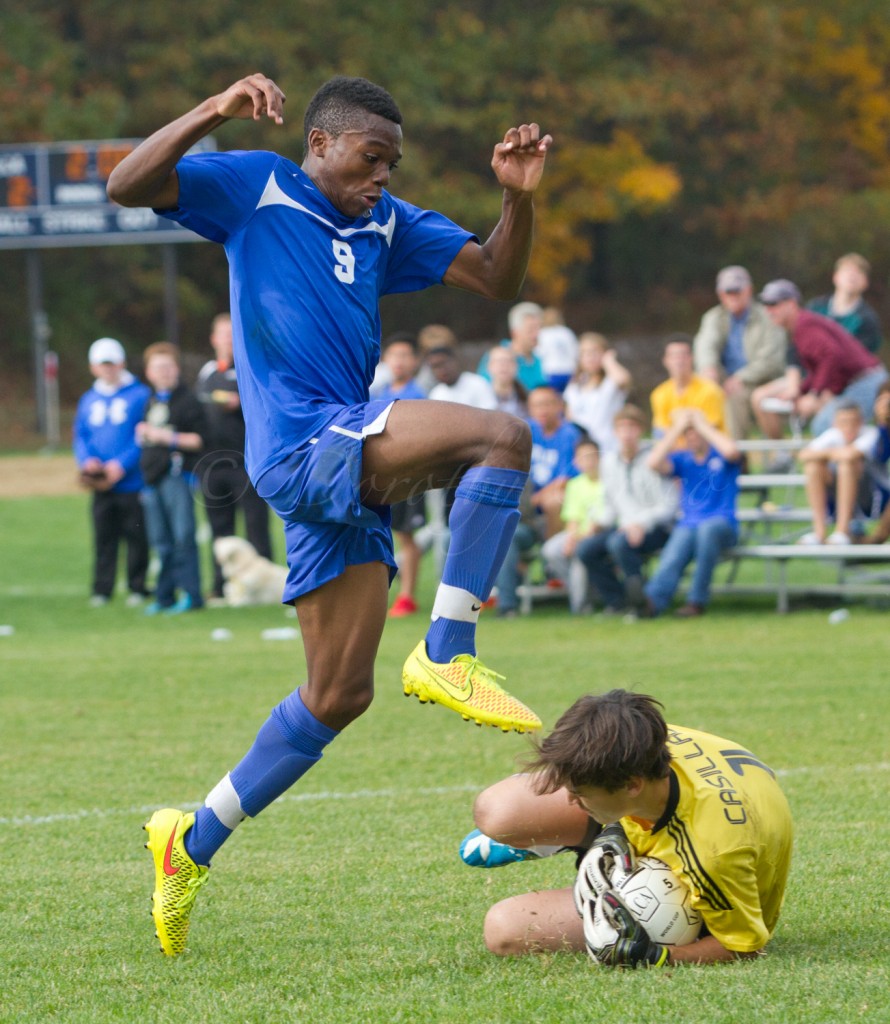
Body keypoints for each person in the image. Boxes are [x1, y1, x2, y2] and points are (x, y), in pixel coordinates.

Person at [108, 72, 549, 955]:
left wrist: (514, 198)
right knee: (502, 434)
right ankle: (450, 650)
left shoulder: (386, 221)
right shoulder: (253, 184)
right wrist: (209, 112)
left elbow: (497, 276)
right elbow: (124, 185)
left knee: (338, 694)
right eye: (369, 158)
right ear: (319, 144)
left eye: (392, 162)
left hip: (341, 467)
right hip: (307, 446)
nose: (382, 176)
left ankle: (187, 845)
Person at [463, 690, 793, 967]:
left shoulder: (713, 854)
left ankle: (583, 842)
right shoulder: (639, 740)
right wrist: (615, 826)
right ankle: (562, 840)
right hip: (661, 807)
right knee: (497, 811)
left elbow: (742, 945)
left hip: (691, 883)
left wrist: (656, 956)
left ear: (632, 785)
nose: (571, 800)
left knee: (503, 930)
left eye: (579, 795)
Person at [195, 312, 273, 600]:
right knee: (219, 527)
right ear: (214, 339)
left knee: (255, 524)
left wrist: (242, 404)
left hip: (246, 461)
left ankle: (263, 587)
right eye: (222, 334)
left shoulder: (250, 367)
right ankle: (221, 587)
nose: (227, 339)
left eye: (232, 333)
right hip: (213, 464)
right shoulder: (207, 372)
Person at [752, 279, 888, 438]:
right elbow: (820, 366)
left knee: (826, 426)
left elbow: (832, 355)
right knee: (828, 429)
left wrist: (814, 394)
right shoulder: (801, 326)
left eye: (774, 304)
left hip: (866, 383)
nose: (769, 310)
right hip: (862, 382)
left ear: (791, 304)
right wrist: (802, 391)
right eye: (766, 304)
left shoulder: (805, 325)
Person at [575, 404, 677, 614]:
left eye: (632, 427)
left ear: (641, 430)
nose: (627, 433)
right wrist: (600, 523)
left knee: (619, 544)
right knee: (586, 550)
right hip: (624, 527)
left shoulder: (654, 459)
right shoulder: (609, 462)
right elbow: (612, 503)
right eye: (622, 427)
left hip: (657, 527)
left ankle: (641, 602)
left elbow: (669, 506)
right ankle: (618, 601)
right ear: (615, 431)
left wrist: (641, 523)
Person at [72, 337, 151, 607]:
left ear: (121, 363)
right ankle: (102, 589)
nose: (107, 369)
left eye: (111, 363)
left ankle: (137, 586)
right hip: (101, 484)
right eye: (102, 364)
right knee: (104, 537)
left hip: (131, 482)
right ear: (94, 367)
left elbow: (142, 436)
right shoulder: (89, 398)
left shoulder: (139, 395)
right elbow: (80, 435)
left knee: (136, 536)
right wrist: (87, 460)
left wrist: (121, 464)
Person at [642, 408, 741, 618]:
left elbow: (732, 451)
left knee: (706, 531)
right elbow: (652, 463)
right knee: (674, 551)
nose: (692, 437)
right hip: (689, 524)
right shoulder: (682, 460)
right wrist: (677, 428)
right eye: (689, 434)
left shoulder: (721, 456)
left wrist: (702, 425)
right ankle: (652, 602)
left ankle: (696, 601)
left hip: (722, 524)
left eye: (696, 433)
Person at [137, 342, 207, 615]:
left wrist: (165, 436)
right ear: (149, 373)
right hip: (152, 478)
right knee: (161, 541)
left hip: (178, 476)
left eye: (168, 366)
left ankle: (192, 595)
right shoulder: (152, 400)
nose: (164, 372)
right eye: (158, 368)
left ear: (176, 369)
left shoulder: (188, 401)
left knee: (183, 537)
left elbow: (200, 439)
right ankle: (164, 595)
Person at [693, 265, 787, 439]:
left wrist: (741, 377)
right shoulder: (714, 317)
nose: (733, 296)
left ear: (749, 290)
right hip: (725, 380)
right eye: (728, 292)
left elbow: (771, 360)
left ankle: (736, 457)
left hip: (762, 381)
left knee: (734, 396)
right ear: (721, 294)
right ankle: (704, 456)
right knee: (699, 391)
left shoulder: (766, 316)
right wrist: (708, 368)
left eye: (737, 291)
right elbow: (705, 345)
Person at [375, 332, 428, 616]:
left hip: (409, 475)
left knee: (407, 535)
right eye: (394, 355)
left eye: (405, 356)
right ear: (385, 360)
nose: (399, 361)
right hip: (382, 475)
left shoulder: (419, 395)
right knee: (383, 533)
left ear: (414, 361)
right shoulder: (380, 393)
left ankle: (407, 595)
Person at [798, 401, 886, 546]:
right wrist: (833, 455)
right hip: (838, 496)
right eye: (844, 422)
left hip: (873, 498)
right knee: (813, 467)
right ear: (835, 423)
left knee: (847, 466)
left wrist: (825, 455)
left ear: (862, 421)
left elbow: (850, 455)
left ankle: (842, 531)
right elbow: (804, 455)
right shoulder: (833, 435)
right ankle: (819, 533)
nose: (849, 427)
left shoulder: (871, 433)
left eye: (853, 421)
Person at [540, 438, 604, 613]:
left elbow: (604, 520)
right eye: (583, 457)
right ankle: (590, 590)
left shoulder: (608, 483)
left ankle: (581, 607)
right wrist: (571, 537)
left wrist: (577, 539)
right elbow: (572, 518)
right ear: (576, 461)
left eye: (591, 456)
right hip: (578, 532)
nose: (588, 461)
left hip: (599, 533)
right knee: (550, 549)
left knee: (578, 558)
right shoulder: (575, 485)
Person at [526, 385, 580, 539]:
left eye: (547, 404)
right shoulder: (526, 429)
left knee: (554, 501)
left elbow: (564, 479)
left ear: (559, 406)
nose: (542, 410)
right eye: (536, 405)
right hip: (527, 492)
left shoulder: (569, 434)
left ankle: (548, 553)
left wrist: (536, 499)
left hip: (554, 491)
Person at [563, 332, 632, 452]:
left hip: (608, 448)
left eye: (594, 352)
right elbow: (569, 418)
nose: (589, 357)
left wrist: (609, 361)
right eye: (584, 353)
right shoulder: (574, 386)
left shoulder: (610, 382)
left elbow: (623, 379)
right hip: (583, 451)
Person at [650, 334, 727, 441]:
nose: (679, 361)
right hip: (675, 453)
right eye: (674, 356)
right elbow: (661, 432)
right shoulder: (659, 394)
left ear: (692, 358)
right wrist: (691, 420)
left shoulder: (710, 390)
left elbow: (712, 430)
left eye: (683, 355)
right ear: (665, 360)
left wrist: (679, 422)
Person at [807, 253, 883, 355]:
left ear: (866, 282)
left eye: (859, 272)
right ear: (835, 277)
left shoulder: (869, 320)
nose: (852, 276)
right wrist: (794, 367)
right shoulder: (815, 307)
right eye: (847, 270)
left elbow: (860, 358)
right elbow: (798, 342)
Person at [477, 301, 548, 392]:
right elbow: (484, 390)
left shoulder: (539, 359)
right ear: (515, 332)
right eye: (531, 329)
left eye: (539, 328)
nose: (537, 334)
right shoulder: (497, 357)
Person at [426, 345, 498, 410]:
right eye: (435, 367)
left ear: (454, 360)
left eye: (443, 363)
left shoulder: (477, 383)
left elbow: (491, 414)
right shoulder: (436, 394)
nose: (441, 370)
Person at [535, 307, 578, 391]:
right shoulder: (566, 332)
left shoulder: (543, 333)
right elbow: (575, 352)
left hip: (551, 371)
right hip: (569, 371)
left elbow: (539, 354)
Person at [486, 345, 528, 418]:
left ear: (516, 367)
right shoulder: (481, 398)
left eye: (508, 361)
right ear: (489, 367)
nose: (503, 365)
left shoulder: (527, 399)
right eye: (498, 361)